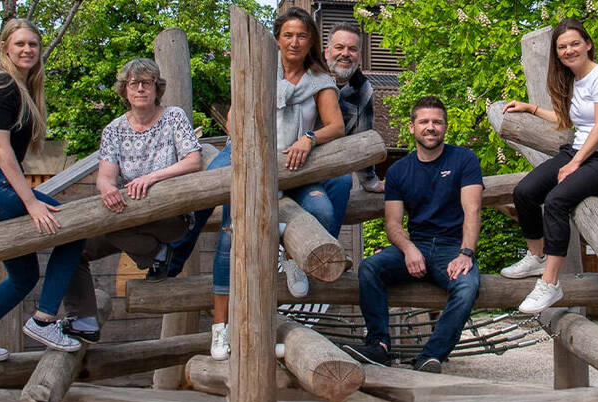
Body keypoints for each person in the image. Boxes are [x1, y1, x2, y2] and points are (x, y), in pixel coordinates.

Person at [183, 7, 348, 360]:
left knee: (320, 206)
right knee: (230, 230)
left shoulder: (319, 80)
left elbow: (336, 127)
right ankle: (220, 328)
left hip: (293, 161)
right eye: (287, 35)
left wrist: (308, 138)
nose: (294, 41)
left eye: (302, 36)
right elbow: (232, 120)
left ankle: (291, 257)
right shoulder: (259, 70)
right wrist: (253, 152)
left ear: (311, 42)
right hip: (249, 154)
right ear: (276, 39)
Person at [0, 18, 86, 361]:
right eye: (20, 44)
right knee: (72, 229)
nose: (27, 50)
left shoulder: (22, 87)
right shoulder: (3, 85)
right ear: (5, 47)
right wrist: (31, 202)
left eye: (33, 45)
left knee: (23, 277)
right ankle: (43, 320)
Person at [52, 58, 202, 344]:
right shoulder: (113, 130)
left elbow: (193, 160)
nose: (141, 89)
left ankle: (159, 253)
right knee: (73, 246)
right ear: (125, 91)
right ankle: (84, 319)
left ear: (158, 89)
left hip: (170, 215)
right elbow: (105, 177)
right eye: (134, 84)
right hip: (129, 216)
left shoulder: (173, 117)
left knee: (113, 225)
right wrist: (107, 188)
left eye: (148, 83)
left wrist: (152, 177)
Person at [340, 97, 482, 373]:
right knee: (370, 268)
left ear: (445, 127)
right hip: (415, 246)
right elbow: (393, 224)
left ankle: (430, 356)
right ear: (411, 127)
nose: (431, 127)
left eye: (437, 122)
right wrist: (408, 249)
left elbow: (472, 209)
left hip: (452, 248)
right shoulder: (398, 171)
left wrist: (466, 253)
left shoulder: (464, 159)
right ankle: (379, 345)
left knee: (467, 288)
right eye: (424, 122)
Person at [500, 18, 598, 314]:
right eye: (562, 47)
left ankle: (550, 283)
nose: (569, 50)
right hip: (578, 151)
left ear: (588, 44)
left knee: (556, 201)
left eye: (575, 43)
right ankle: (536, 257)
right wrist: (531, 108)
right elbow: (571, 121)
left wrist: (575, 164)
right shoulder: (573, 80)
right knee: (524, 191)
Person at [325, 22, 383, 194]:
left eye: (352, 49)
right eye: (339, 47)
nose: (345, 54)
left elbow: (362, 139)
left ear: (360, 55)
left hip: (327, 167)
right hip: (289, 157)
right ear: (327, 51)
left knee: (342, 181)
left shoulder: (363, 90)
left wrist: (370, 181)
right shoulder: (309, 74)